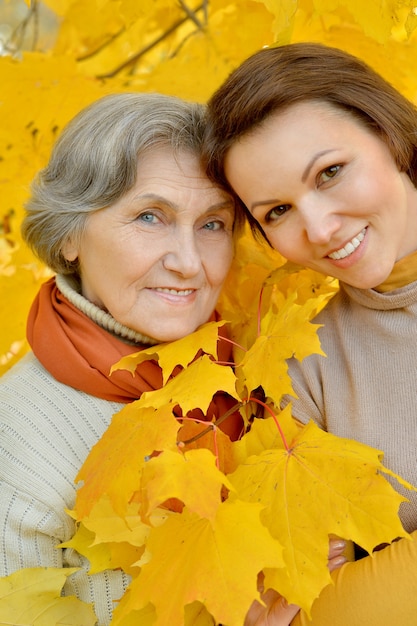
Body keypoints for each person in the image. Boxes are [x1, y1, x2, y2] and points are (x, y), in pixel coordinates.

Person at [203, 42, 417, 625]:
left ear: (389, 133)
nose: (319, 228)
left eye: (330, 172)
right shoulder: (303, 370)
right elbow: (306, 612)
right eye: (276, 212)